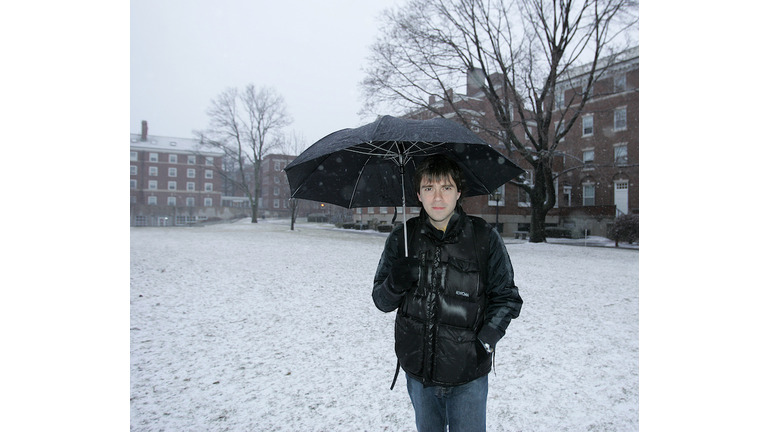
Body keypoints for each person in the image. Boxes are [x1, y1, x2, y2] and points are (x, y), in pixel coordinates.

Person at [372, 155, 524, 432]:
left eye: (446, 187)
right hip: (419, 376)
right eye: (429, 188)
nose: (438, 197)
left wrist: (485, 341)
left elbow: (507, 297)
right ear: (418, 194)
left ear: (459, 192)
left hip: (468, 377)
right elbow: (381, 301)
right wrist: (394, 283)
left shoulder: (484, 237)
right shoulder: (401, 239)